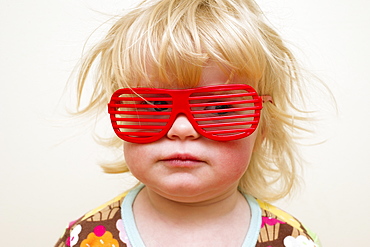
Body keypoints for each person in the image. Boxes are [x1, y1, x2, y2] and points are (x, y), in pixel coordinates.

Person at [55, 0, 322, 246]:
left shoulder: (291, 240)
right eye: (153, 105)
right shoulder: (87, 238)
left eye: (220, 108)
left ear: (263, 128)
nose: (181, 129)